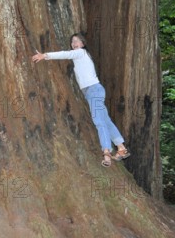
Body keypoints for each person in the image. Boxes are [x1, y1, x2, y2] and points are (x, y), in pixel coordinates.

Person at [32, 33, 130, 167]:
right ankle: (121, 148)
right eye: (72, 41)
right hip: (93, 91)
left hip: (94, 90)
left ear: (83, 44)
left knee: (98, 121)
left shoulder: (81, 53)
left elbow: (64, 54)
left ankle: (106, 152)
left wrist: (45, 55)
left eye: (77, 41)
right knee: (105, 120)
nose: (74, 43)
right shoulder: (80, 57)